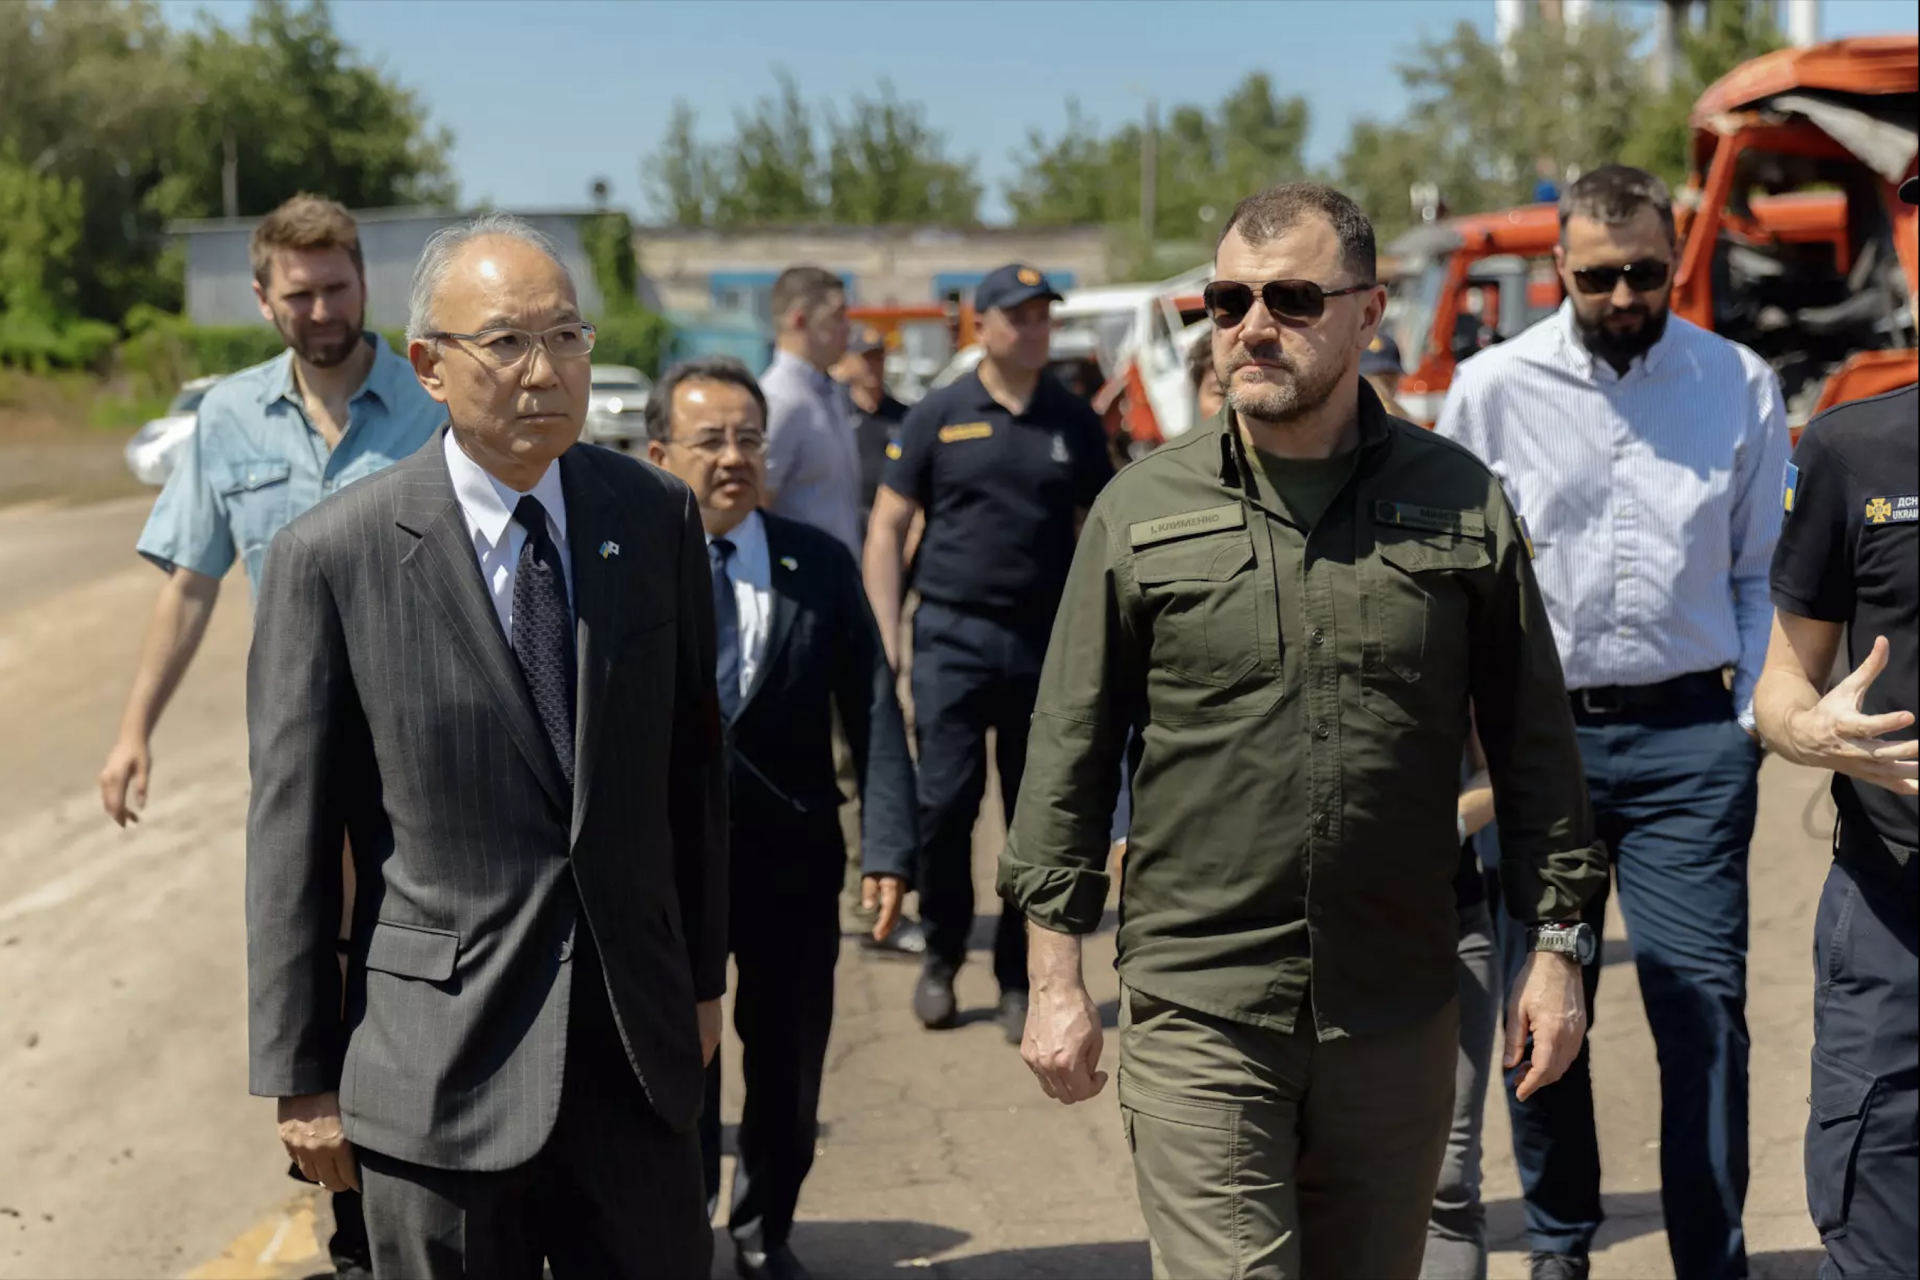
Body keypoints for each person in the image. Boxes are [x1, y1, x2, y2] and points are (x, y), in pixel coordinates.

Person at [1002, 181, 1604, 1280]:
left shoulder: (1461, 500)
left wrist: (1559, 951)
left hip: (1398, 1003)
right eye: (1226, 300)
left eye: (1289, 297)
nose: (1250, 327)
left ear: (1369, 312)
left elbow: (1534, 745)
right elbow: (1069, 751)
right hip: (1201, 1004)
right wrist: (1054, 978)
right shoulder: (1141, 511)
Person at [246, 214, 726, 1279]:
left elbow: (692, 771)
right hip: (437, 1074)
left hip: (633, 1055)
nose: (545, 369)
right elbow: (291, 829)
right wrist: (299, 1070)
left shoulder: (651, 518)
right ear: (429, 365)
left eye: (567, 337)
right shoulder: (336, 556)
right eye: (506, 342)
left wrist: (702, 976)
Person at [1435, 164, 1789, 1280]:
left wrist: (1739, 721)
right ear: (1560, 269)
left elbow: (1760, 573)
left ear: (1675, 258)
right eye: (1600, 276)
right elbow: (1456, 582)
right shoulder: (1491, 390)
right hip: (1541, 750)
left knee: (1705, 1009)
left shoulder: (1737, 382)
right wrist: (1480, 744)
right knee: (1544, 1009)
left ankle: (1709, 1256)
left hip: (1692, 744)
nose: (1625, 294)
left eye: (1646, 271)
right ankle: (1560, 1243)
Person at [101, 192, 442, 1280]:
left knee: (420, 962)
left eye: (339, 285)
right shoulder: (229, 420)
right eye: (300, 293)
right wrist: (133, 730)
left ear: (363, 284)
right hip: (298, 748)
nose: (323, 307)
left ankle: (444, 1183)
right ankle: (352, 1230)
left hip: (428, 739)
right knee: (314, 971)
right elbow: (191, 584)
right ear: (263, 299)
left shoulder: (429, 405)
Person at [643, 355, 917, 1280]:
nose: (733, 458)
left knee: (789, 1067)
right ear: (658, 452)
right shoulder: (629, 571)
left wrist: (887, 848)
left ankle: (764, 1232)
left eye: (748, 439)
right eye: (709, 440)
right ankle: (680, 1237)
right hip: (666, 877)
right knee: (680, 1066)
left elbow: (874, 710)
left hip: (792, 867)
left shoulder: (818, 565)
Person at [864, 263, 1114, 1044]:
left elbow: (1098, 534)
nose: (1036, 329)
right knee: (945, 807)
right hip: (951, 638)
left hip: (1044, 645)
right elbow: (886, 526)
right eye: (1021, 316)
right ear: (984, 323)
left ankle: (1016, 976)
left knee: (1032, 818)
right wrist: (888, 639)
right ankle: (942, 953)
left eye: (1045, 316)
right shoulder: (941, 413)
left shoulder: (1072, 421)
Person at [1752, 174, 1918, 1280]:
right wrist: (1812, 734)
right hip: (1893, 912)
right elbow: (1778, 689)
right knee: (1875, 1234)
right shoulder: (1854, 451)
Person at [1424, 733, 1503, 1280]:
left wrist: (1438, 828)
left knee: (1446, 1181)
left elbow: (1502, 764)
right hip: (1284, 945)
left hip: (1447, 927)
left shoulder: (1447, 644)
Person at [760, 267, 860, 556]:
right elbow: (754, 506)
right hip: (803, 587)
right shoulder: (779, 400)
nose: (848, 327)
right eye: (837, 316)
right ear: (799, 320)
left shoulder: (826, 391)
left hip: (837, 584)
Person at [837, 325, 911, 529]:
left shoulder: (904, 416)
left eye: (878, 358)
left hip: (892, 523)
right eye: (866, 359)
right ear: (849, 361)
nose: (872, 366)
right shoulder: (838, 414)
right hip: (848, 522)